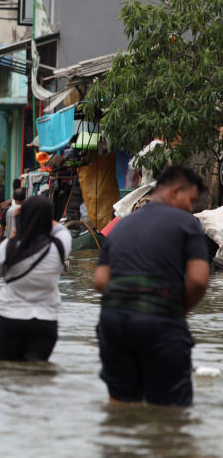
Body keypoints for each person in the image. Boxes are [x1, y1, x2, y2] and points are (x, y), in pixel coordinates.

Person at [93, 165, 209, 407]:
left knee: (121, 406)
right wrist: (176, 311)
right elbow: (198, 280)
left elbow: (101, 281)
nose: (191, 208)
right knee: (170, 412)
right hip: (159, 321)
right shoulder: (187, 223)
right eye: (191, 200)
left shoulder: (121, 226)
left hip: (113, 322)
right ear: (176, 190)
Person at [0, 196, 71, 362]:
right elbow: (61, 230)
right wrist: (42, 218)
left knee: (0, 375)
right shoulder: (60, 245)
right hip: (44, 323)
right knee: (35, 378)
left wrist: (22, 223)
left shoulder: (9, 246)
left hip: (7, 319)